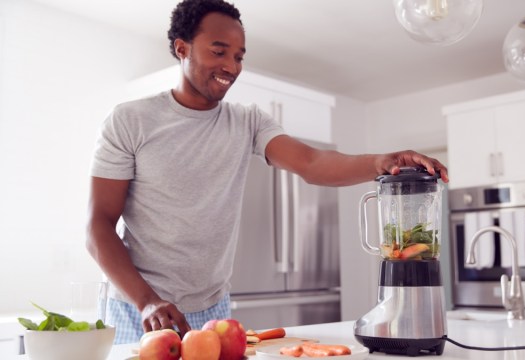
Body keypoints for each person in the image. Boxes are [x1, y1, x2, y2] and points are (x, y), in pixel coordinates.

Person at [86, 0, 449, 344]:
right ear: (182, 48)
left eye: (239, 56)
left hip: (211, 310)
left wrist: (381, 161)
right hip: (138, 308)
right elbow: (98, 225)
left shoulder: (247, 122)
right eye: (218, 51)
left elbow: (312, 163)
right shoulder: (130, 120)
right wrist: (147, 301)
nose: (231, 66)